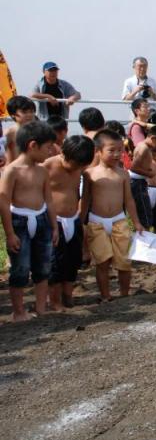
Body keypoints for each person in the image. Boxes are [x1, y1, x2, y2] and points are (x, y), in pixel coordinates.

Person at [0, 121, 58, 321]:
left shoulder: (42, 170)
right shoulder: (11, 171)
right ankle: (19, 312)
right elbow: (4, 201)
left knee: (43, 267)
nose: (50, 152)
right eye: (48, 147)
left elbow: (49, 200)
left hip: (41, 219)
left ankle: (41, 308)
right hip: (19, 221)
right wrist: (9, 233)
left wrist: (54, 226)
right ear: (33, 145)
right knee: (20, 269)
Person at [83, 129, 144, 300]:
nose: (117, 154)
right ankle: (105, 295)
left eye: (120, 150)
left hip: (119, 220)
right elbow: (85, 200)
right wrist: (81, 222)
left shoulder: (123, 174)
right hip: (96, 222)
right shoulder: (89, 174)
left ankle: (124, 294)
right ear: (98, 151)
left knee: (124, 262)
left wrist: (136, 222)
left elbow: (129, 200)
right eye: (111, 150)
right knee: (102, 262)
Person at [44, 135, 94, 310]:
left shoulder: (81, 169)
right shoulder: (47, 166)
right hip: (53, 220)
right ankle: (55, 302)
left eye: (79, 166)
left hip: (73, 219)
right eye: (72, 163)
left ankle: (68, 297)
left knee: (72, 262)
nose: (74, 168)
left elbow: (82, 194)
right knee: (55, 265)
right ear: (64, 153)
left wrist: (81, 213)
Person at [129, 125, 156, 231]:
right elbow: (133, 167)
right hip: (137, 183)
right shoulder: (143, 148)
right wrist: (148, 174)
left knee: (148, 217)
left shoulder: (144, 147)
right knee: (145, 218)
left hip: (141, 182)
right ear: (153, 139)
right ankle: (143, 244)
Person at [5, 96, 37, 163]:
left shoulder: (37, 132)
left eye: (31, 111)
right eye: (24, 112)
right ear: (13, 114)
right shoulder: (10, 133)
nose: (29, 115)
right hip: (14, 170)